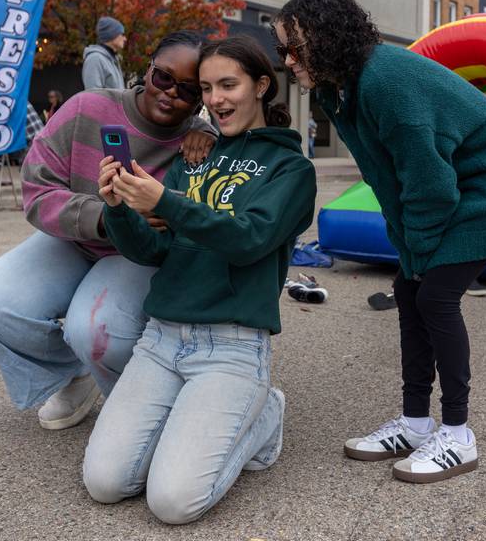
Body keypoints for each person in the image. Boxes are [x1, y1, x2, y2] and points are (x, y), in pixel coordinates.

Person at [274, 0, 486, 484]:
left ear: (328, 38)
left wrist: (418, 250)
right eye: (281, 50)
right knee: (407, 287)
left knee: (436, 297)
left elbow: (430, 185)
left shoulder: (385, 81)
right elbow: (385, 176)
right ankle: (417, 423)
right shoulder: (337, 90)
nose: (287, 61)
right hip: (452, 180)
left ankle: (458, 437)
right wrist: (407, 246)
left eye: (294, 48)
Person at [83, 35, 316, 524]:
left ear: (261, 86)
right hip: (160, 340)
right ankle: (198, 420)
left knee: (172, 503)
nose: (215, 99)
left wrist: (165, 203)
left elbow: (249, 238)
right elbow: (153, 249)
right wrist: (118, 205)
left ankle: (265, 413)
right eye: (207, 88)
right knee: (105, 483)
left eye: (228, 85)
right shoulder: (192, 159)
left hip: (232, 348)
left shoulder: (291, 169)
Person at [0, 31, 217, 430]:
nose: (171, 93)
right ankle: (72, 377)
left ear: (201, 98)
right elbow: (36, 189)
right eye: (164, 78)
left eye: (187, 90)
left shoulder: (199, 143)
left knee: (96, 332)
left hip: (133, 254)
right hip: (74, 238)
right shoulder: (87, 107)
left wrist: (210, 131)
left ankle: (144, 410)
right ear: (147, 70)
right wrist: (103, 216)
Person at [82, 16, 127, 90]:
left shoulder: (112, 59)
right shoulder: (95, 59)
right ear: (112, 34)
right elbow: (93, 96)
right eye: (122, 34)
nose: (125, 39)